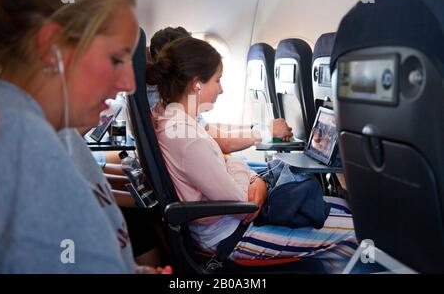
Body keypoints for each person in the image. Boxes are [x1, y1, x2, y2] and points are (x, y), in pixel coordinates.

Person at [0, 0, 168, 274]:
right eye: (116, 59)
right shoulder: (17, 136)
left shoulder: (59, 133)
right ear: (51, 48)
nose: (128, 83)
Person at [149, 37, 357, 272]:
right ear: (197, 83)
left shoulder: (170, 117)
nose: (221, 89)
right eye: (217, 80)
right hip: (229, 235)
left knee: (340, 205)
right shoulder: (188, 138)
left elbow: (227, 163)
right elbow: (245, 205)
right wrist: (254, 180)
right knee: (354, 231)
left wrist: (242, 173)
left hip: (222, 224)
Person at [147, 26, 294, 155]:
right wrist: (267, 132)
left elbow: (208, 129)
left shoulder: (171, 100)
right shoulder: (170, 106)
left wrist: (255, 127)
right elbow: (224, 144)